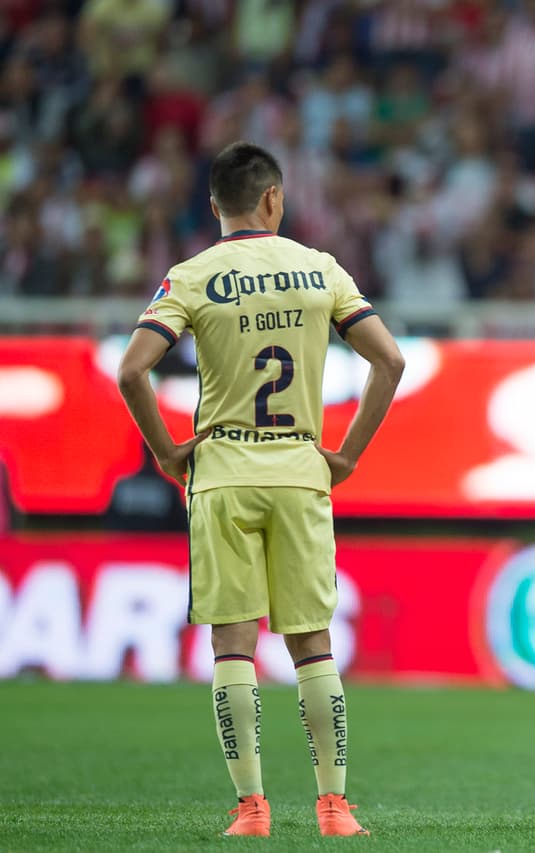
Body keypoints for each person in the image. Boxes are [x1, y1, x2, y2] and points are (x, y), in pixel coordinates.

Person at [116, 141, 405, 838]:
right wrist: (349, 456)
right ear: (274, 198)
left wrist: (165, 451)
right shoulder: (320, 269)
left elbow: (131, 372)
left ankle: (251, 808)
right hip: (300, 468)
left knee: (233, 646)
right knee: (313, 644)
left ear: (215, 205)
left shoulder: (191, 275)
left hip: (222, 471)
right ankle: (334, 807)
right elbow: (390, 360)